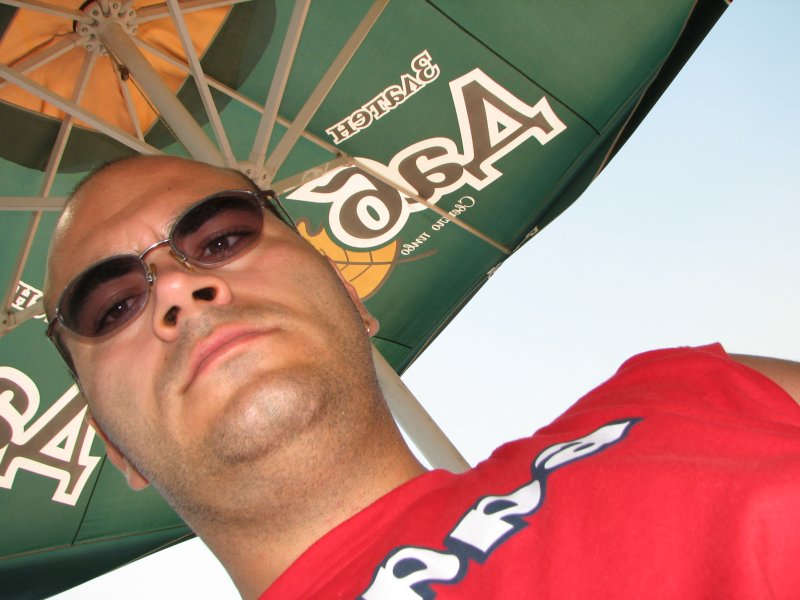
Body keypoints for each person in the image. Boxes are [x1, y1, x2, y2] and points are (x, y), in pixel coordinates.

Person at [44, 156, 800, 599]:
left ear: (350, 295)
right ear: (116, 447)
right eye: (112, 308)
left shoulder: (688, 395)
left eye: (222, 237)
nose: (179, 287)